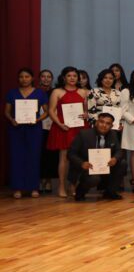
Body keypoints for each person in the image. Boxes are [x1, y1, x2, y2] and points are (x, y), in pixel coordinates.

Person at [5, 68, 48, 198]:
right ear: (18, 79)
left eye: (27, 76)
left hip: (34, 129)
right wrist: (11, 119)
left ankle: (33, 187)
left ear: (32, 78)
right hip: (16, 129)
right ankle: (17, 188)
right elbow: (6, 111)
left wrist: (37, 120)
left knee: (33, 157)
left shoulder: (39, 93)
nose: (24, 79)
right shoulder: (12, 93)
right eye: (21, 77)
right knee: (16, 157)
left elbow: (47, 112)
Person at [47, 66, 90, 198]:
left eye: (75, 76)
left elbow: (88, 110)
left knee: (78, 157)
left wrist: (86, 114)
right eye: (69, 76)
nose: (72, 78)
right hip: (63, 127)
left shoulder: (84, 92)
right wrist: (59, 124)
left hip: (80, 128)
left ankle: (73, 185)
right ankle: (61, 186)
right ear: (64, 77)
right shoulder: (57, 92)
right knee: (64, 157)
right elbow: (51, 110)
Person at [67, 112, 126, 201]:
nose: (104, 125)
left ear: (111, 126)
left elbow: (119, 151)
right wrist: (82, 163)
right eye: (102, 122)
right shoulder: (84, 134)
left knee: (122, 163)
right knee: (94, 178)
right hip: (87, 168)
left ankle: (110, 192)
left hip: (105, 166)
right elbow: (71, 154)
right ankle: (80, 193)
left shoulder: (113, 134)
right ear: (96, 122)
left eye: (108, 123)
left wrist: (115, 158)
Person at [38, 69, 57, 193]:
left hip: (52, 125)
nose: (46, 79)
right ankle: (40, 180)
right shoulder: (34, 91)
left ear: (52, 79)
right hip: (37, 125)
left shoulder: (55, 92)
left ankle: (49, 180)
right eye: (43, 76)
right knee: (40, 153)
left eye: (49, 76)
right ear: (39, 78)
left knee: (50, 154)